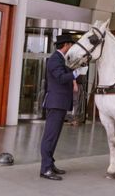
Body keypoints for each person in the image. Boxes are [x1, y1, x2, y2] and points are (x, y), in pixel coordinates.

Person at [39, 34, 77, 181]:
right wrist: (75, 74)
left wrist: (74, 73)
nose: (72, 48)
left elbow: (66, 73)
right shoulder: (55, 59)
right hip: (55, 103)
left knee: (54, 137)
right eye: (71, 45)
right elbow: (61, 78)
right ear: (66, 45)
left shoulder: (60, 59)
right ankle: (45, 169)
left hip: (60, 103)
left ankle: (50, 164)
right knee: (50, 137)